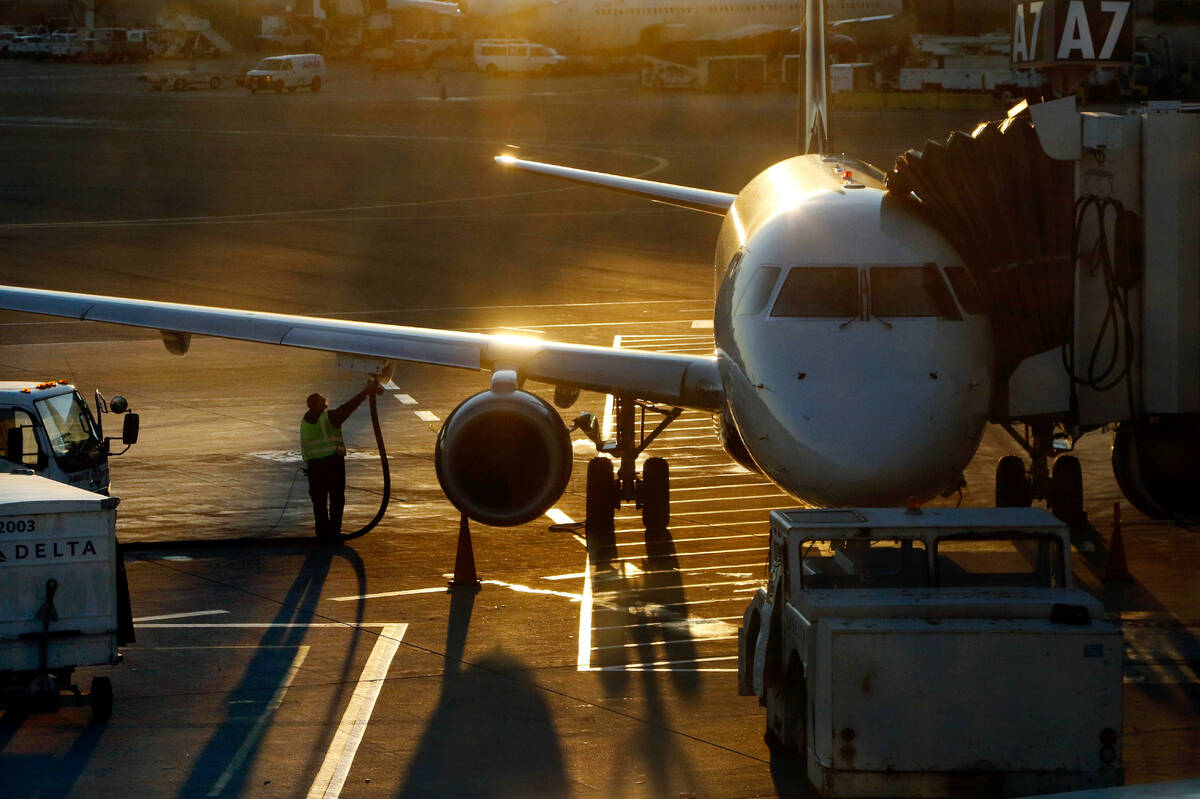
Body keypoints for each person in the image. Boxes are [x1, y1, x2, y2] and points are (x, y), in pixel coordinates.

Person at [300, 380, 377, 539]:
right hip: (332, 465)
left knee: (319, 501)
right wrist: (365, 392)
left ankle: (322, 532)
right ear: (316, 404)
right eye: (322, 399)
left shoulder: (305, 420)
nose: (325, 400)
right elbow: (349, 407)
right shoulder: (329, 418)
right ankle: (334, 532)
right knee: (336, 498)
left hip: (314, 467)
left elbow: (306, 445)